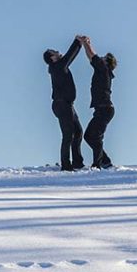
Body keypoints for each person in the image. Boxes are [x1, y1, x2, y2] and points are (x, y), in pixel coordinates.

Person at [44, 37, 85, 171]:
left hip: (67, 105)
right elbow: (69, 56)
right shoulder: (58, 66)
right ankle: (66, 165)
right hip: (62, 105)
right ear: (52, 58)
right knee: (68, 134)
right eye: (55, 52)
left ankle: (77, 162)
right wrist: (78, 42)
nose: (58, 52)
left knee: (78, 132)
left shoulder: (57, 67)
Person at [78, 35, 116, 169]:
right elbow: (92, 58)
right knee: (89, 136)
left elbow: (92, 55)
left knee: (96, 136)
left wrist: (86, 43)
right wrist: (86, 44)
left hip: (105, 109)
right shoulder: (103, 70)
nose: (101, 57)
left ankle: (98, 164)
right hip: (102, 110)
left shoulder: (104, 69)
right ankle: (105, 161)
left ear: (106, 62)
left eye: (104, 57)